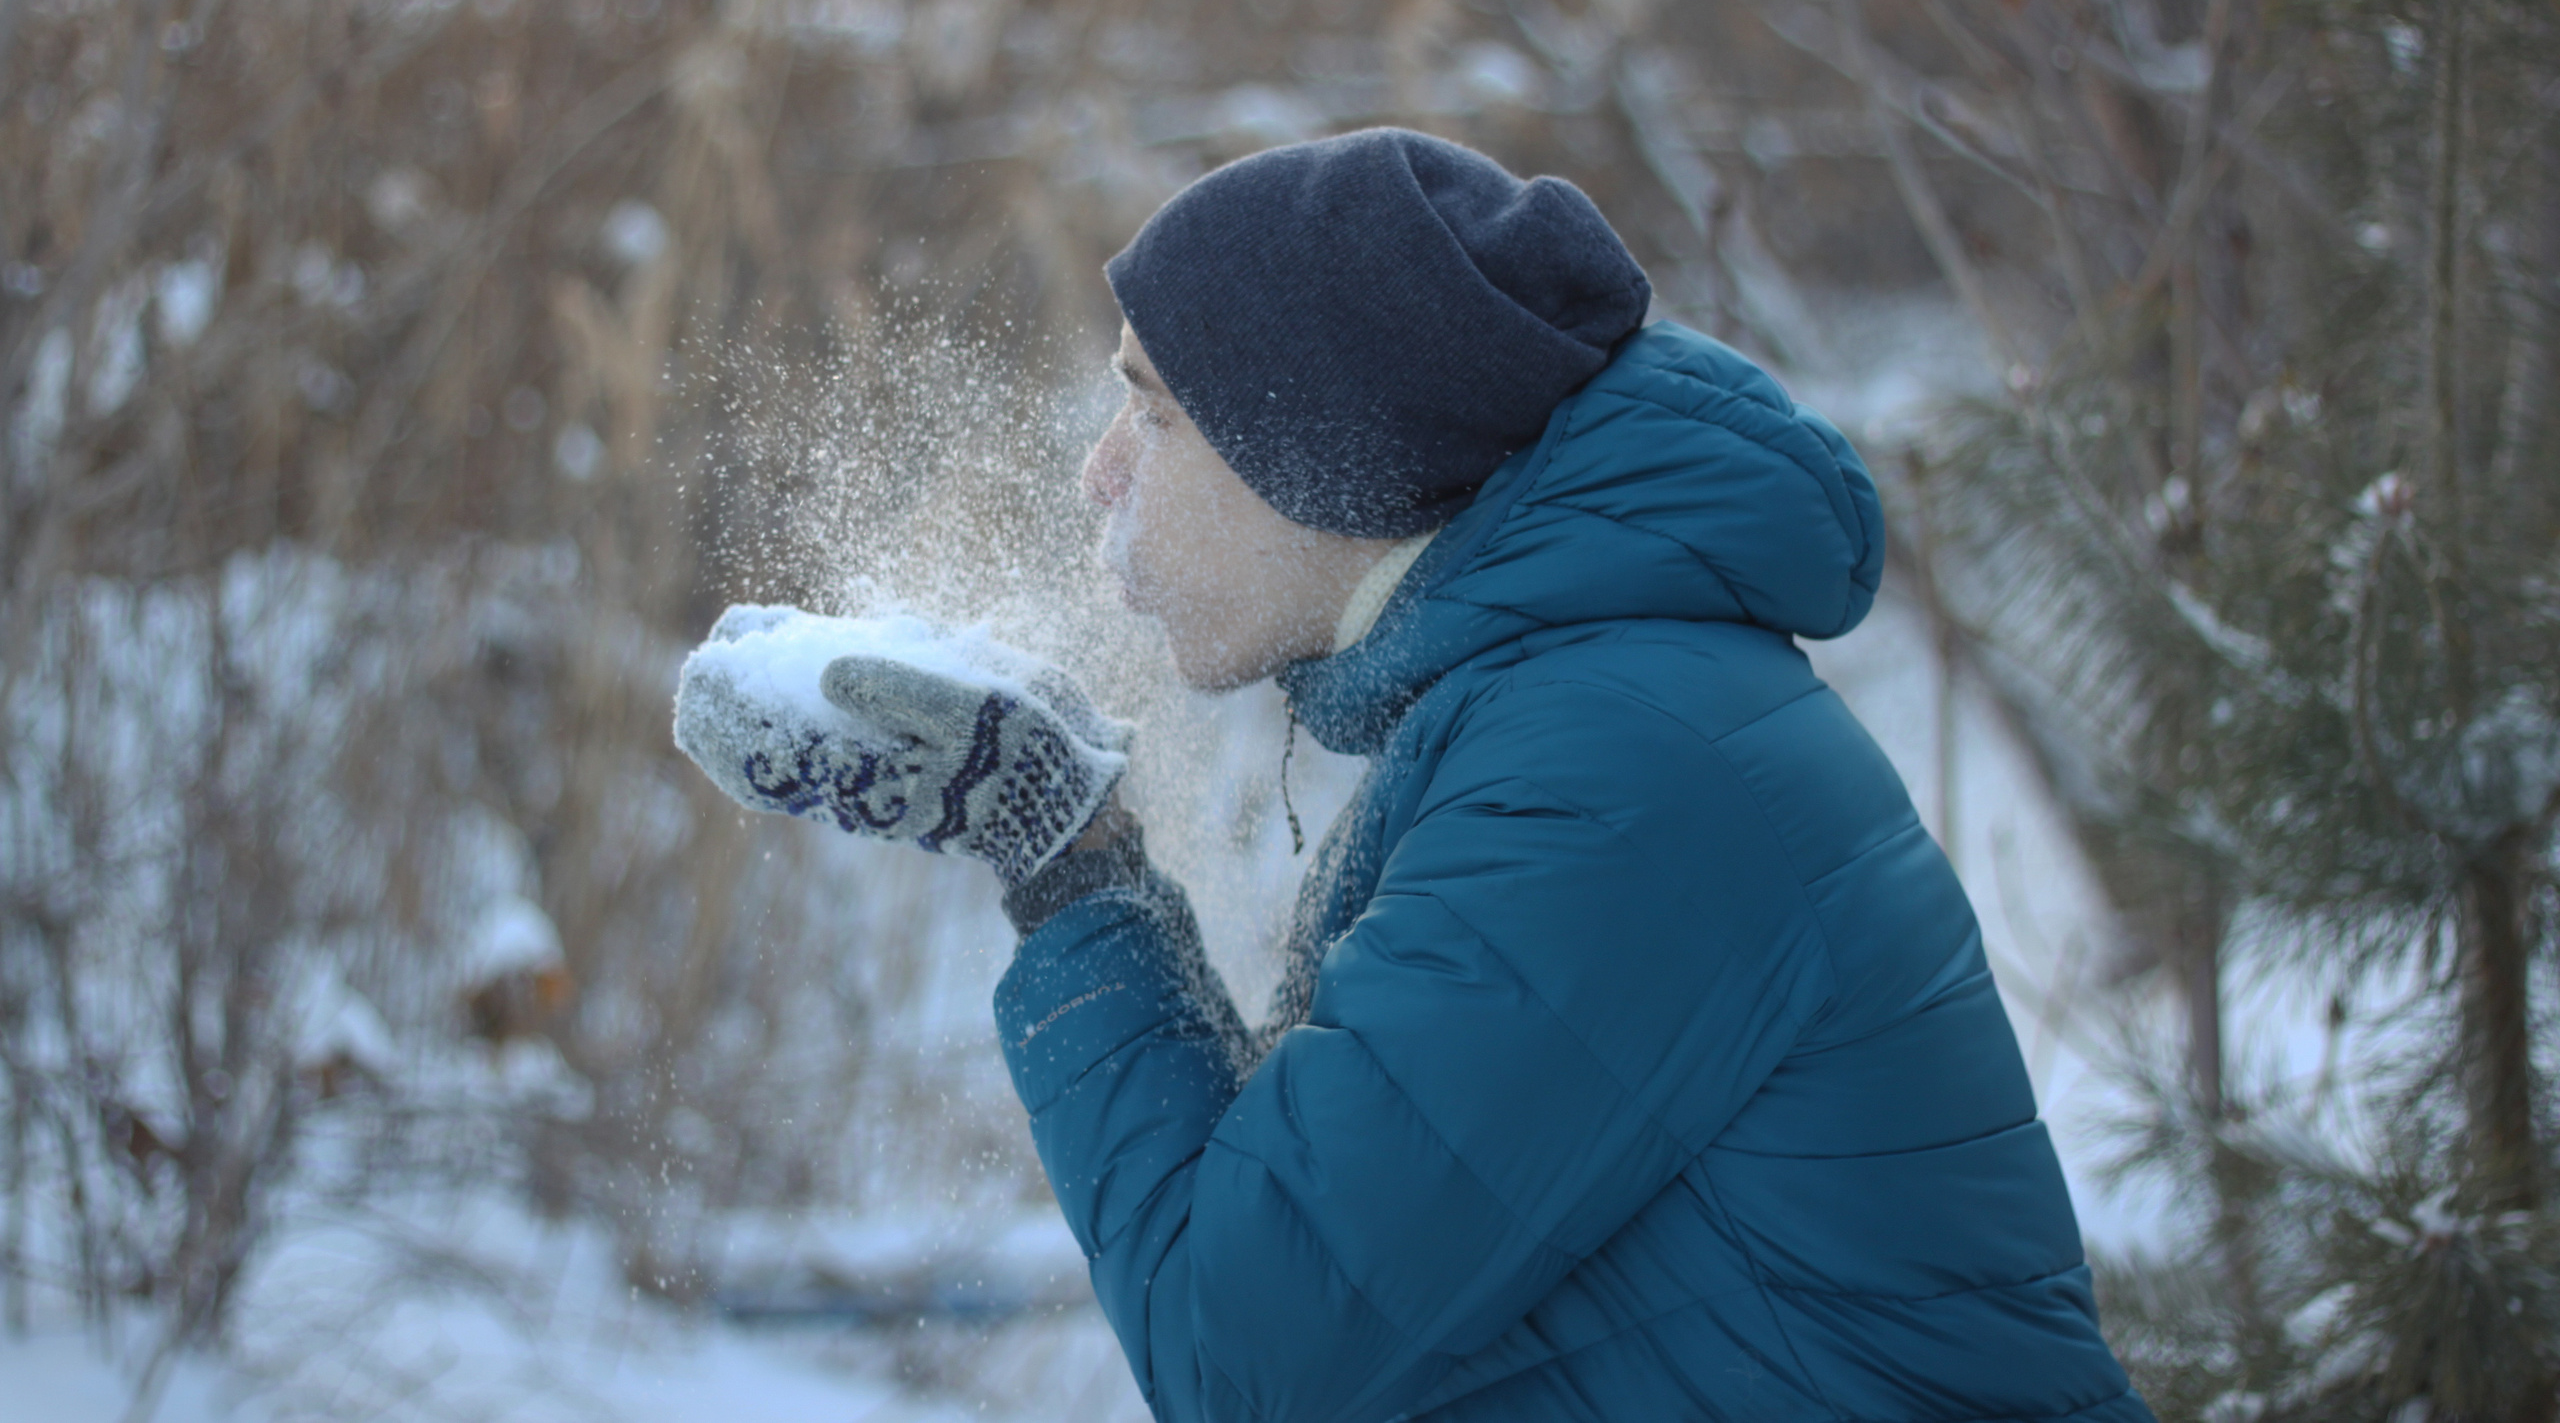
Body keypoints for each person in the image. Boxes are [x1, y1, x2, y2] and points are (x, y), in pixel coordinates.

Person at [675, 128, 2154, 1422]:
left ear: (1328, 455)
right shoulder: (1554, 718)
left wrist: (1066, 863)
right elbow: (1320, 1231)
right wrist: (1073, 846)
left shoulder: (1615, 779)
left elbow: (1245, 1348)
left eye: (1158, 412)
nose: (1101, 473)